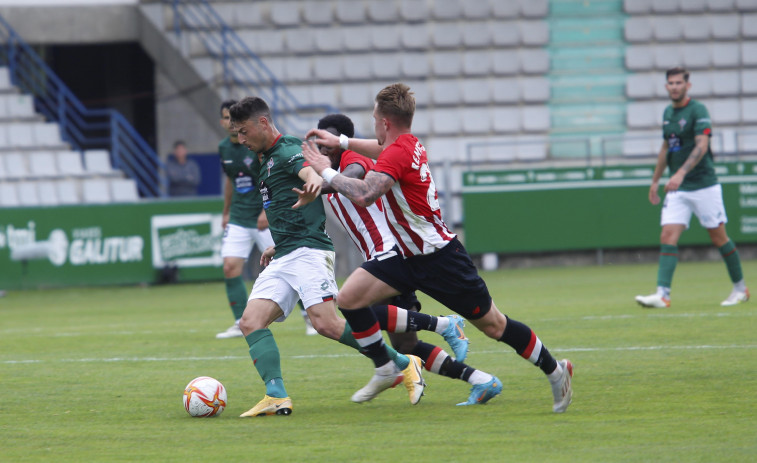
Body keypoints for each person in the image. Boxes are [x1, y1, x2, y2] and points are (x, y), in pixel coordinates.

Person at [303, 83, 573, 413]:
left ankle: (556, 370)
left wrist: (325, 170)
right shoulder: (406, 143)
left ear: (385, 123)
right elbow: (377, 149)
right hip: (405, 257)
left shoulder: (397, 153)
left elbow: (364, 194)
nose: (373, 126)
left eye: (375, 119)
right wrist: (341, 142)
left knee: (494, 326)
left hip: (440, 259)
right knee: (349, 299)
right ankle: (387, 367)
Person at [228, 96, 426, 417]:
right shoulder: (264, 158)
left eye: (243, 131)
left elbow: (312, 174)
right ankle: (276, 395)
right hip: (287, 253)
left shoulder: (289, 150)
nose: (240, 139)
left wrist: (315, 183)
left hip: (308, 252)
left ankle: (404, 364)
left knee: (328, 325)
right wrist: (277, 243)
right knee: (251, 322)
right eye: (236, 134)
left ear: (262, 123)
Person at [317, 113, 503, 405]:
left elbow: (354, 175)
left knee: (355, 309)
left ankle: (442, 325)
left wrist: (320, 180)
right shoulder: (327, 173)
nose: (322, 147)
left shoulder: (352, 160)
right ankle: (481, 380)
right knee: (405, 344)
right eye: (318, 141)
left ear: (340, 140)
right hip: (382, 255)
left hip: (390, 252)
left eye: (327, 140)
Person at [635, 67, 749, 309]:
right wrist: (655, 180)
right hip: (679, 189)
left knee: (718, 237)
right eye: (671, 83)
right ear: (666, 87)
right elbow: (666, 148)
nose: (674, 86)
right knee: (667, 235)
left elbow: (702, 145)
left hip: (704, 185)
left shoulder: (698, 110)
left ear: (688, 85)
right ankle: (662, 294)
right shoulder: (667, 113)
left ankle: (740, 288)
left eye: (679, 82)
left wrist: (680, 173)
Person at [215, 100, 315, 339]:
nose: (231, 124)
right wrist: (226, 210)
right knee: (229, 266)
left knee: (288, 263)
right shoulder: (224, 148)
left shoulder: (257, 145)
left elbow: (271, 177)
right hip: (239, 216)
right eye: (226, 119)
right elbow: (230, 179)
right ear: (222, 122)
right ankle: (240, 321)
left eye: (234, 119)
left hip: (263, 216)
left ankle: (309, 317)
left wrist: (264, 211)